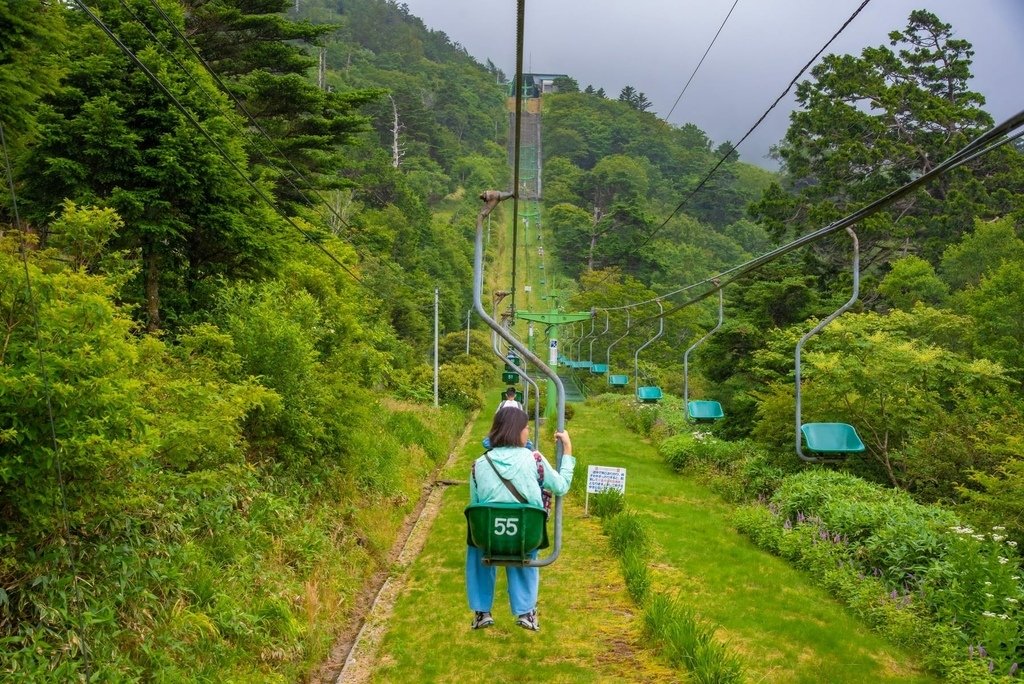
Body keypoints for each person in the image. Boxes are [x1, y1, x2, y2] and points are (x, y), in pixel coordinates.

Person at [466, 406, 575, 632]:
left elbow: (476, 504)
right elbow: (561, 486)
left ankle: (481, 610)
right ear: (517, 431)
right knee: (522, 542)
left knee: (478, 542)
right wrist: (567, 449)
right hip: (525, 534)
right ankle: (526, 611)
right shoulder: (533, 459)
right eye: (526, 428)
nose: (527, 432)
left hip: (490, 536)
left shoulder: (479, 464)